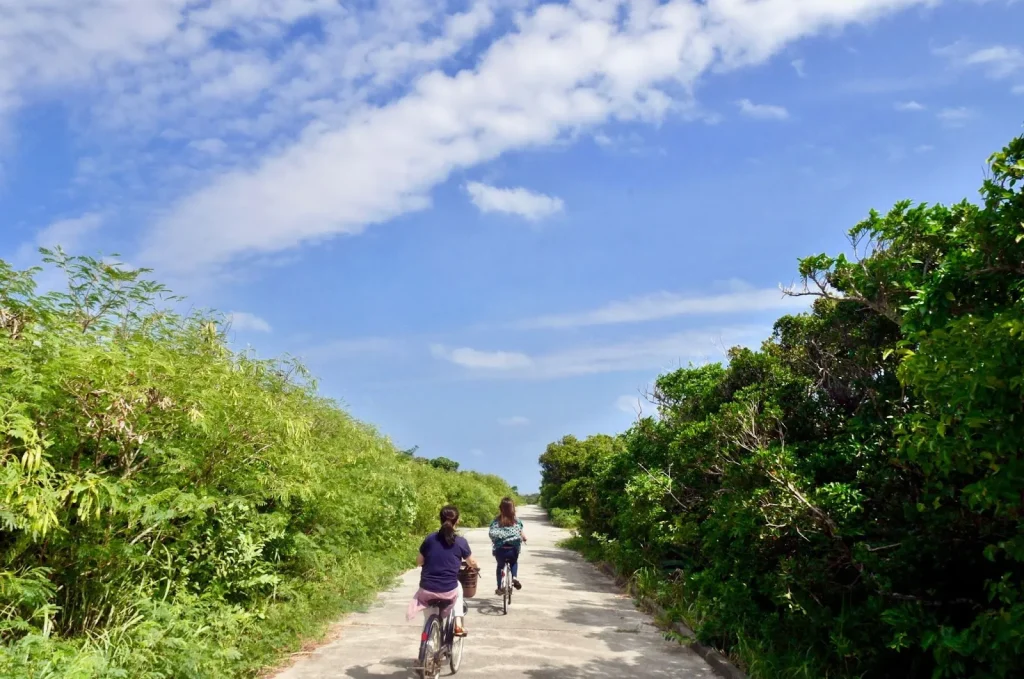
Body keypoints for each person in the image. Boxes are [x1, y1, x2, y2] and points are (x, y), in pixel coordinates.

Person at [407, 505, 479, 636]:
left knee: (428, 619)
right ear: (457, 521)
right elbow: (472, 562)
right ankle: (458, 624)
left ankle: (426, 647)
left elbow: (418, 561)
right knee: (458, 588)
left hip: (427, 590)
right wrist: (474, 566)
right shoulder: (460, 541)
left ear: (440, 519)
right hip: (448, 590)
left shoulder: (430, 539)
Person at [488, 496, 526, 595]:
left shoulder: (496, 521)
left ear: (501, 508)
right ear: (513, 508)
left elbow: (491, 533)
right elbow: (521, 532)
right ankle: (514, 577)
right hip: (513, 550)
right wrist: (524, 538)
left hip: (500, 550)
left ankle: (500, 587)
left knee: (500, 567)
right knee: (513, 562)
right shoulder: (517, 521)